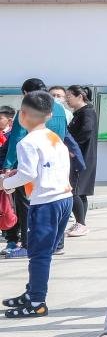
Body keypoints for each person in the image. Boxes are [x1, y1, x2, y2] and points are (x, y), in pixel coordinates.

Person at [2, 91, 73, 318]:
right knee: (44, 252)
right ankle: (32, 292)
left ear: (22, 115)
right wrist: (16, 176)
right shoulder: (53, 137)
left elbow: (28, 174)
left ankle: (36, 302)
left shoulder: (27, 142)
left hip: (46, 203)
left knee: (39, 254)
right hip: (64, 198)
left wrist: (5, 183)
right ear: (50, 115)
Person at [3, 79, 71, 259]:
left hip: (32, 165)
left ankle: (27, 245)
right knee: (57, 211)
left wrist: (8, 166)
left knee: (26, 207)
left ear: (26, 93)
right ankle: (57, 244)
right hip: (56, 165)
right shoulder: (59, 109)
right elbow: (64, 133)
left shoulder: (27, 111)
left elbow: (17, 137)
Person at [62, 85, 97, 238]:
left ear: (80, 96)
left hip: (80, 157)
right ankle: (80, 223)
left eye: (69, 96)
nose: (66, 100)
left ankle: (81, 224)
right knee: (80, 192)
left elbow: (86, 131)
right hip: (82, 157)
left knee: (74, 190)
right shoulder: (81, 112)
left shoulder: (87, 112)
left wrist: (72, 148)